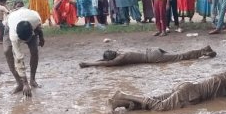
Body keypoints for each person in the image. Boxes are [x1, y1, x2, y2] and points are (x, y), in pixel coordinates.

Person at [108, 71, 226, 113]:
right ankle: (123, 95)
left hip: (189, 89)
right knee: (160, 108)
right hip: (190, 92)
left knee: (154, 101)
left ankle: (124, 104)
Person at [4, 6, 45, 97]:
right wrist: (25, 83)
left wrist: (41, 38)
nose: (25, 42)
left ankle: (33, 80)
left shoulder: (35, 19)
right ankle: (20, 83)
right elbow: (19, 58)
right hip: (10, 23)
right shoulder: (14, 36)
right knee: (7, 51)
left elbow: (39, 28)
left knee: (34, 50)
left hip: (29, 21)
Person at [79, 46, 216, 68]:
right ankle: (202, 51)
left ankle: (203, 51)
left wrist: (88, 63)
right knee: (179, 54)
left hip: (153, 58)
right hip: (153, 50)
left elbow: (104, 64)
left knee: (180, 58)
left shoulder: (121, 59)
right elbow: (106, 61)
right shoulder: (121, 52)